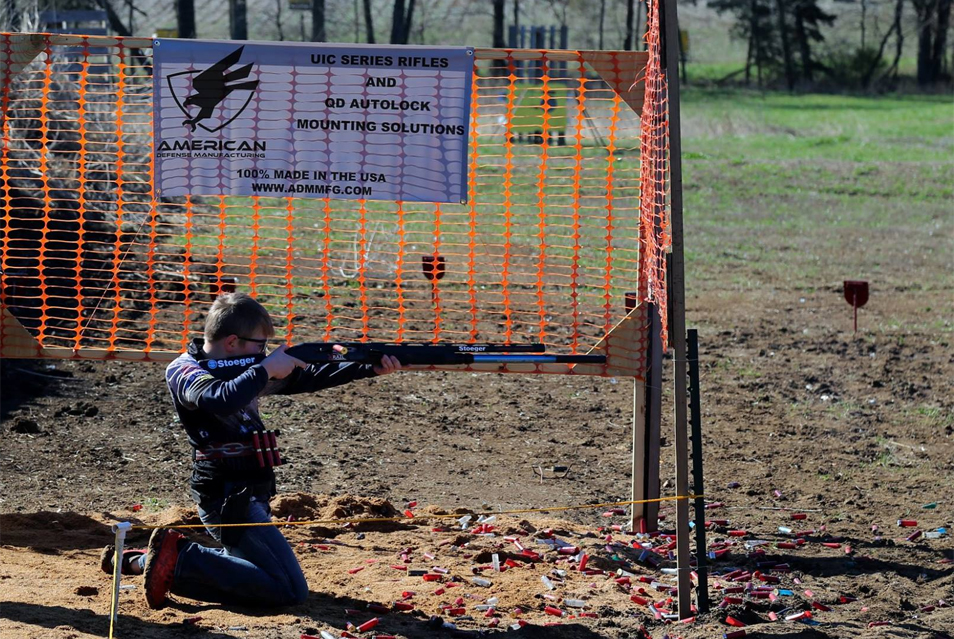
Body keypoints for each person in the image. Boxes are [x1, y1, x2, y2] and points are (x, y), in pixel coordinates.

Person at [100, 292, 400, 608]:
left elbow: (307, 377)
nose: (264, 353)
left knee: (255, 571)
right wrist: (266, 368)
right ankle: (176, 561)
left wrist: (368, 368)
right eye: (259, 345)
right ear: (232, 342)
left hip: (251, 489)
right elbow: (219, 397)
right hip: (225, 497)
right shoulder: (184, 370)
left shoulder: (245, 370)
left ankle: (145, 560)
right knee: (290, 592)